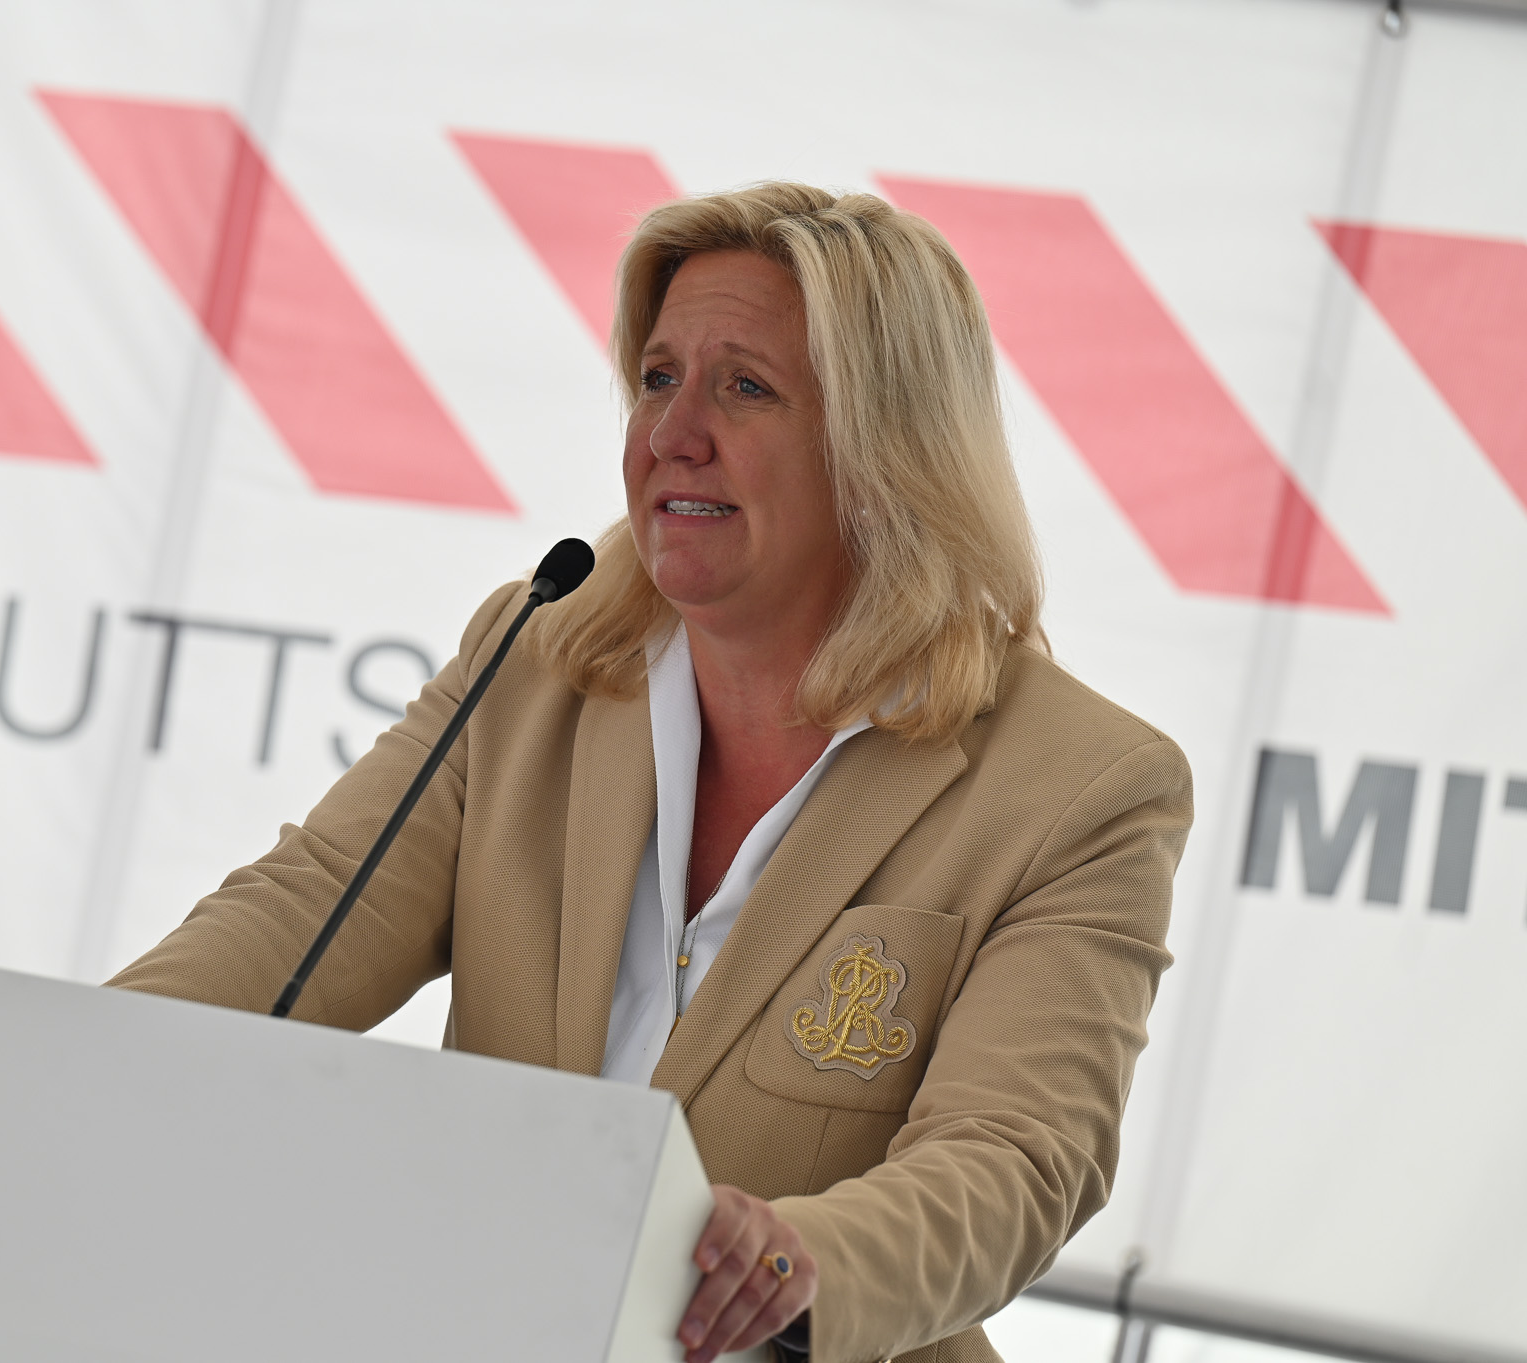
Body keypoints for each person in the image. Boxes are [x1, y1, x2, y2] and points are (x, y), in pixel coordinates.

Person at [109, 182, 1192, 1363]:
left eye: (744, 387)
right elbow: (304, 913)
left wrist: (797, 1259)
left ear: (885, 447)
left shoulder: (1083, 784)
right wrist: (71, 1060)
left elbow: (1013, 1158)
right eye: (657, 377)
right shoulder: (533, 658)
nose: (672, 432)